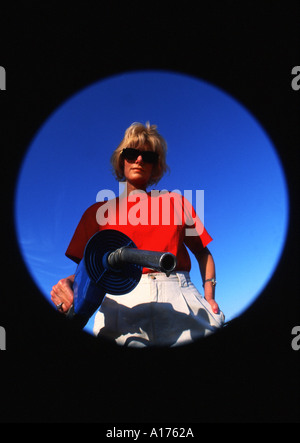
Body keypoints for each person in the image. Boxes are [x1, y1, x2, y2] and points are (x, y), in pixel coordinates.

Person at [51, 122, 224, 347]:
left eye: (148, 156)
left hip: (180, 299)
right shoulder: (95, 214)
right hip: (119, 305)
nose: (139, 160)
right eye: (132, 153)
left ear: (156, 166)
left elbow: (203, 252)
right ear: (121, 160)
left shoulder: (175, 202)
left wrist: (209, 295)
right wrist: (67, 284)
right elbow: (87, 272)